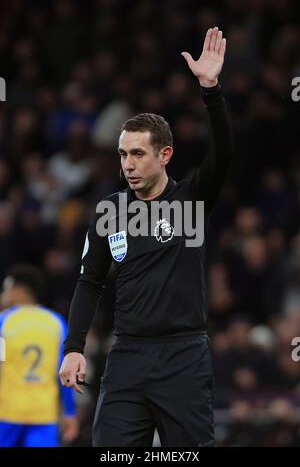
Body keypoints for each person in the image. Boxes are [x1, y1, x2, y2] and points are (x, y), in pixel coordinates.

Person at [60, 27, 234, 447]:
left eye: (138, 153)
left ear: (165, 155)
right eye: (123, 154)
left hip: (184, 356)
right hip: (127, 358)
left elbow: (224, 152)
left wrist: (210, 90)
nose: (129, 164)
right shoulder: (109, 210)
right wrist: (74, 346)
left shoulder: (192, 198)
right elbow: (90, 281)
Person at [0, 264, 78, 447]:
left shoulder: (3, 322)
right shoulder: (57, 323)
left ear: (18, 291)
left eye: (6, 288)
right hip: (44, 413)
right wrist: (70, 412)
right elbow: (65, 371)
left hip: (7, 411)